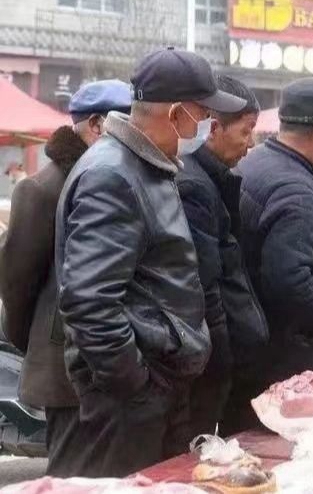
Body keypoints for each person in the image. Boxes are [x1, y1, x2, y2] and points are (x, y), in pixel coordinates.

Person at [53, 48, 245, 477]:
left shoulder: (149, 166)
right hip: (129, 402)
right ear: (176, 114)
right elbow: (89, 302)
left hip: (159, 387)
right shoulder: (112, 175)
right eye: (203, 115)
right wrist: (136, 386)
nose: (207, 126)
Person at [0, 80, 130, 462]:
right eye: (125, 122)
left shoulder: (116, 178)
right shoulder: (43, 189)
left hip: (110, 366)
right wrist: (41, 340)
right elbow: (16, 284)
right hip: (63, 368)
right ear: (95, 125)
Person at [229, 77, 313, 433]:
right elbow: (289, 280)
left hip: (243, 345)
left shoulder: (254, 163)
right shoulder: (296, 190)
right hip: (279, 361)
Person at [177, 75, 267, 438]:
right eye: (246, 131)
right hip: (204, 365)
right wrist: (221, 362)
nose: (251, 144)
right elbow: (205, 286)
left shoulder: (212, 180)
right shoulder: (194, 186)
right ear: (214, 128)